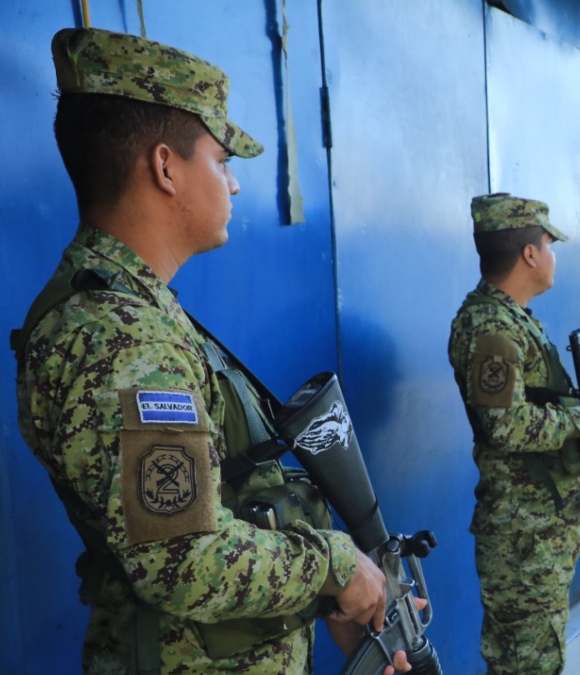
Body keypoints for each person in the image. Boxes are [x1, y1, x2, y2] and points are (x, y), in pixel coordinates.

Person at [14, 28, 412, 673]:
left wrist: (327, 598)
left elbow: (215, 510)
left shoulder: (136, 314)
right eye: (222, 162)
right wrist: (337, 567)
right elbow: (183, 560)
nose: (231, 185)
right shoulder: (123, 337)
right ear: (166, 166)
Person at [448, 193, 580, 675]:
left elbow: (535, 411)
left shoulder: (510, 318)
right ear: (529, 254)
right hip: (524, 536)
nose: (552, 255)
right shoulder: (492, 326)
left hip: (538, 527)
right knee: (529, 663)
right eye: (549, 244)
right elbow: (504, 425)